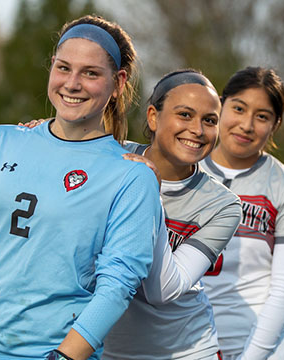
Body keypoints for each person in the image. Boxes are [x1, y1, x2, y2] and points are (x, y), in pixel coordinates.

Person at [0, 15, 163, 360]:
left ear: (118, 82)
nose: (72, 83)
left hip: (50, 353)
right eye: (64, 68)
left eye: (90, 73)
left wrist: (65, 356)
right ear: (52, 68)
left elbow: (118, 285)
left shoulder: (132, 177)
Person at [101, 69, 242, 359]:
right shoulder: (109, 158)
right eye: (185, 115)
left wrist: (148, 194)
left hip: (186, 351)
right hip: (105, 350)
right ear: (153, 117)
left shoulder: (223, 205)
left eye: (210, 120)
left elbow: (162, 291)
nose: (198, 130)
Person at [200, 66, 284, 359]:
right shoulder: (183, 169)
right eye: (238, 108)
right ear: (221, 105)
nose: (247, 125)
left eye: (262, 116)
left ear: (275, 124)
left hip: (262, 345)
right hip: (188, 340)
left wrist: (252, 356)